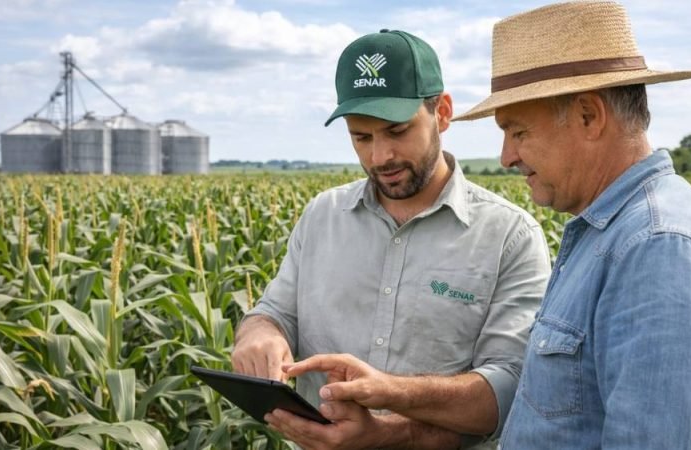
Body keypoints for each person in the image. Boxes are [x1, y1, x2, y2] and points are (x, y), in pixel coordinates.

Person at [231, 29, 551, 449]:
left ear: (442, 113)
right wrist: (259, 333)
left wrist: (386, 427)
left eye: (397, 131)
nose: (379, 157)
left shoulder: (510, 235)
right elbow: (274, 312)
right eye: (361, 137)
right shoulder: (322, 216)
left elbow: (509, 392)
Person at [450, 1, 691, 448]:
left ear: (589, 116)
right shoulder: (613, 233)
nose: (506, 157)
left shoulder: (660, 250)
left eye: (519, 132)